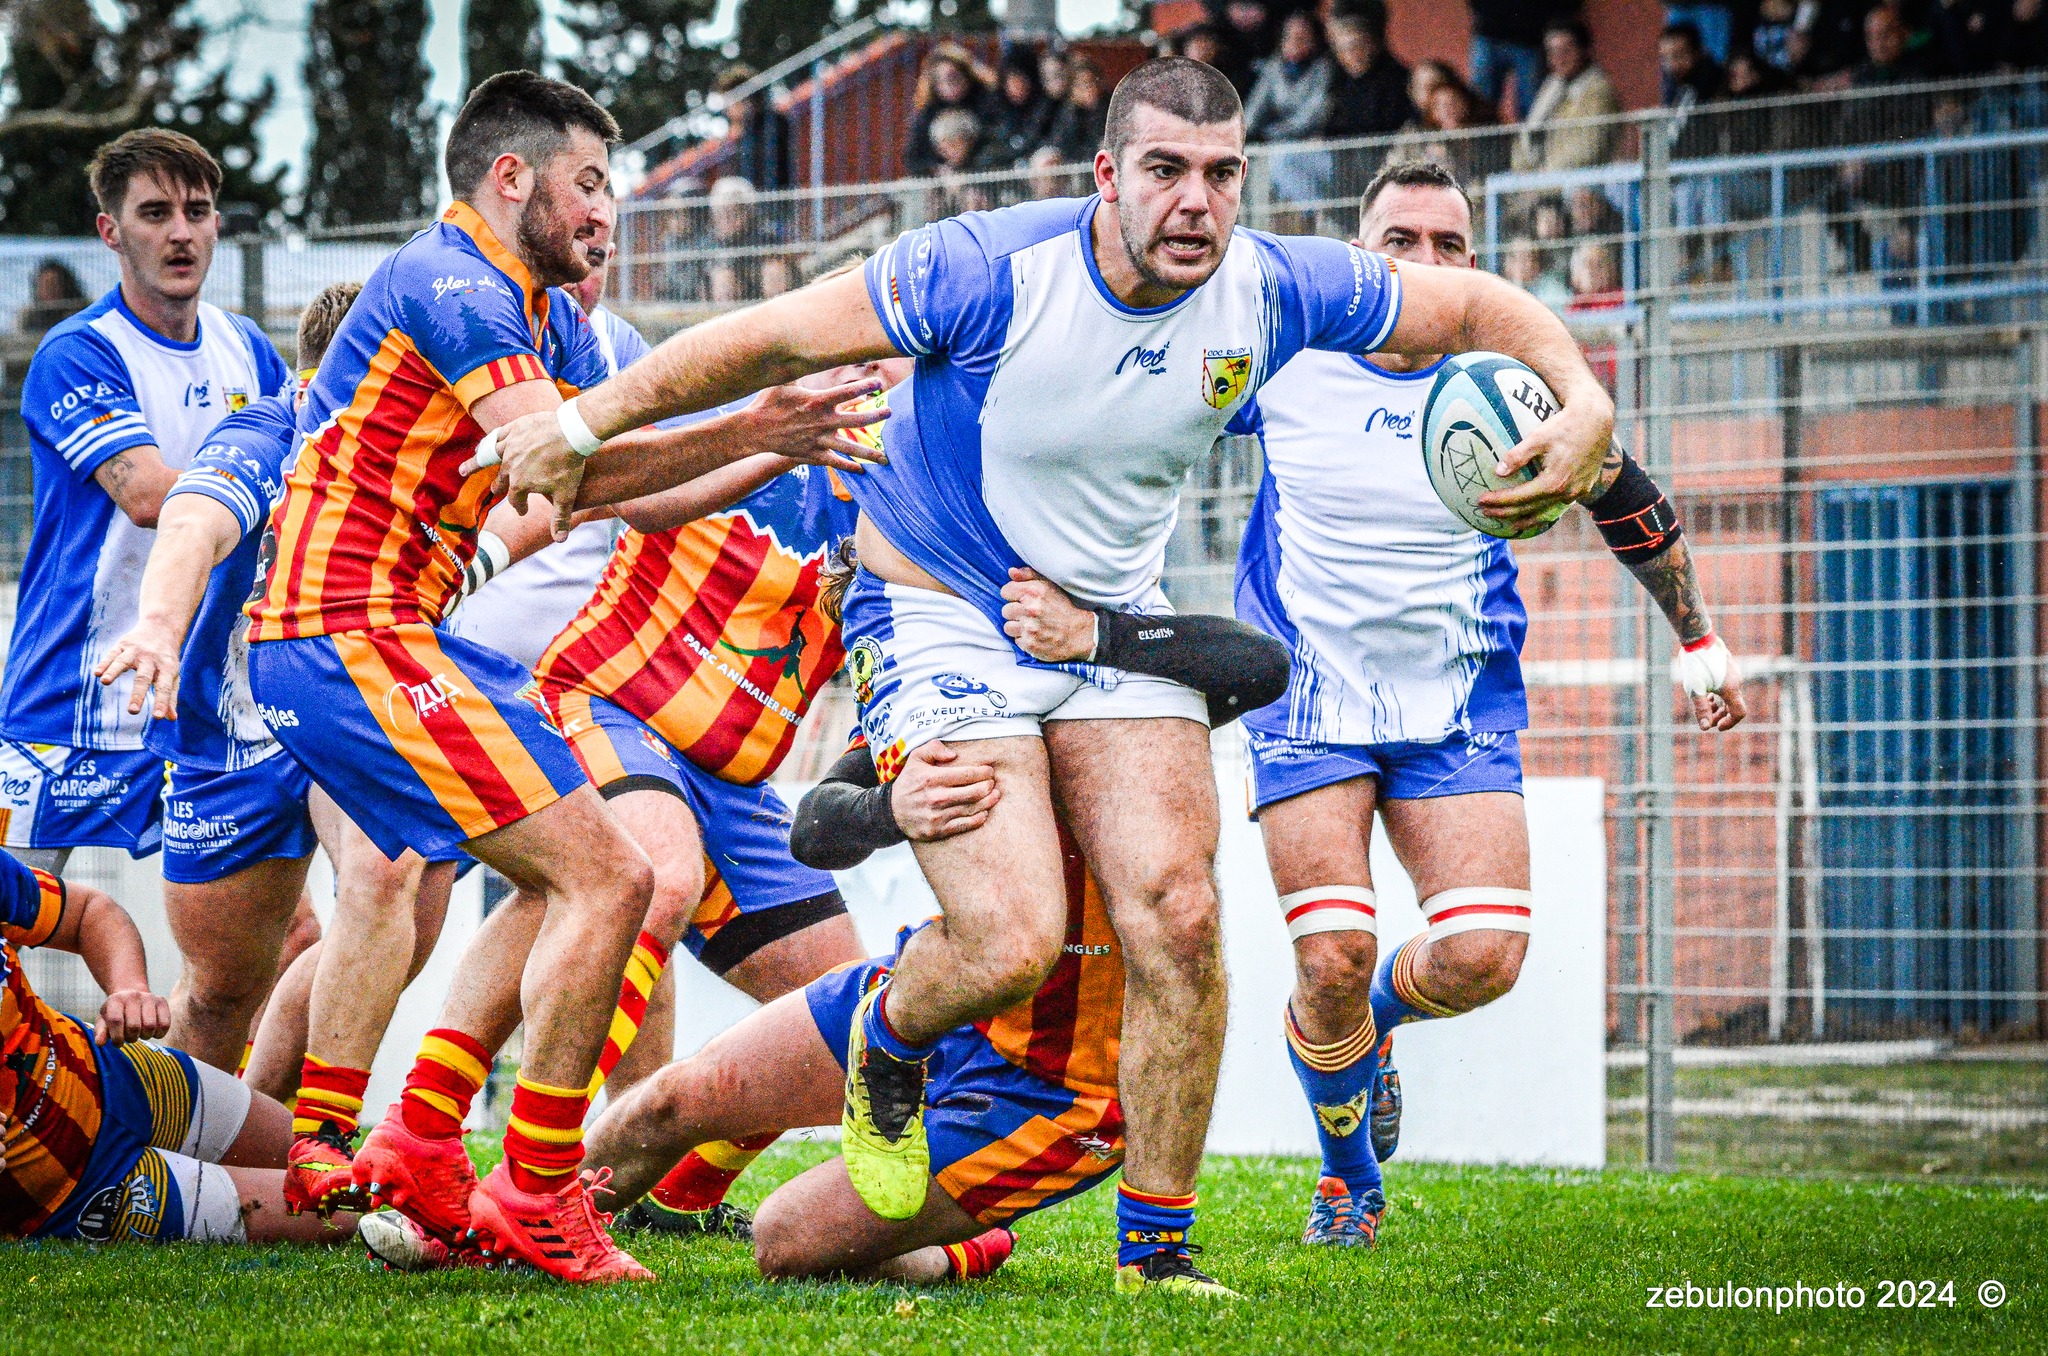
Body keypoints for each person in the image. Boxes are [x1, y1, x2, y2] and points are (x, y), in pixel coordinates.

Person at [482, 57, 1618, 1295]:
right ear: (1105, 176)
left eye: (1223, 174)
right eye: (1167, 171)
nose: (1198, 202)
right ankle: (880, 1041)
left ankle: (1157, 1259)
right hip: (937, 613)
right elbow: (762, 338)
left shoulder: (1271, 288)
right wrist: (584, 428)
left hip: (1098, 623)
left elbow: (1465, 310)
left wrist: (1582, 403)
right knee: (1011, 935)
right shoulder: (984, 268)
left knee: (1182, 919)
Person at [238, 71, 878, 1285]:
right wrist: (754, 422)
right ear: (509, 176)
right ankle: (519, 1186)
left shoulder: (548, 314)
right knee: (615, 876)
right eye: (590, 183)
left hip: (395, 637)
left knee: (566, 877)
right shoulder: (455, 281)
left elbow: (623, 480)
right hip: (345, 635)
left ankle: (415, 1142)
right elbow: (562, 470)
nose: (608, 210)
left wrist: (766, 431)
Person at [363, 569, 1291, 1282]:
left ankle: (976, 1240)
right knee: (660, 1108)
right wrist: (897, 808)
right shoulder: (956, 674)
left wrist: (1096, 633)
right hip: (928, 996)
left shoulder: (1131, 672)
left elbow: (1261, 665)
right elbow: (816, 826)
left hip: (1055, 1084)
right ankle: (504, 1221)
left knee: (788, 1242)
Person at [1232, 160, 1748, 1247]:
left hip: (1456, 704)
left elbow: (1625, 496)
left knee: (1481, 958)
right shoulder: (1281, 353)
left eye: (1448, 246)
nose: (1422, 265)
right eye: (1397, 241)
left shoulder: (1508, 377)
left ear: (1474, 266)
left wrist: (1695, 636)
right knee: (1329, 955)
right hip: (1307, 703)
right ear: (1354, 253)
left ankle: (1369, 1032)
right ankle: (1345, 1186)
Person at [435, 359, 904, 1240]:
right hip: (605, 705)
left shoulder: (909, 496)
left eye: (898, 375)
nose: (876, 389)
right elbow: (621, 499)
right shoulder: (739, 413)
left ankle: (666, 1195)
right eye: (864, 362)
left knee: (856, 1017)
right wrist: (477, 563)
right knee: (658, 871)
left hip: (735, 785)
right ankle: (505, 1167)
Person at [93, 283, 466, 1213]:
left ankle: (322, 1142)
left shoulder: (427, 443)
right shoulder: (270, 434)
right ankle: (157, 1150)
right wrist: (158, 628)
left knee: (395, 872)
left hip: (351, 713)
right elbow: (189, 520)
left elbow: (535, 504)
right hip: (230, 738)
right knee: (221, 992)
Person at [1, 128, 289, 877]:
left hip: (199, 699)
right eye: (155, 213)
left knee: (281, 935)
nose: (181, 232)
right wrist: (265, 485)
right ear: (111, 232)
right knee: (12, 926)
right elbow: (151, 496)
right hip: (75, 696)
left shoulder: (249, 347)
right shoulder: (79, 352)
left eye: (197, 210)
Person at [1, 851, 358, 1248]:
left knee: (332, 1168)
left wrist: (127, 988)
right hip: (79, 1188)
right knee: (347, 1211)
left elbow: (87, 911)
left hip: (121, 1073)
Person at [1244, 11, 1337, 206]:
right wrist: (1241, 133)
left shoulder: (1324, 68)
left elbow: (1313, 115)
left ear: (1315, 39)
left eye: (1302, 37)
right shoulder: (1274, 67)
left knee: (1281, 159)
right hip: (1279, 144)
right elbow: (1254, 109)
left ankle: (1319, 217)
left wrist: (1269, 134)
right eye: (1289, 36)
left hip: (1318, 147)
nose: (1295, 42)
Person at [1511, 18, 1622, 174]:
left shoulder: (1598, 91)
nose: (1559, 59)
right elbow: (1526, 138)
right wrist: (1524, 173)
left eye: (1566, 51)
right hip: (1542, 179)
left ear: (1584, 50)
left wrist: (1541, 180)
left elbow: (1586, 151)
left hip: (1582, 183)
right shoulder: (1552, 87)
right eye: (1552, 52)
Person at [904, 45, 998, 179]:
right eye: (940, 81)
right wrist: (937, 169)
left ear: (966, 75)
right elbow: (914, 158)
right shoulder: (928, 113)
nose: (948, 86)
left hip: (985, 173)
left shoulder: (988, 102)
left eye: (953, 78)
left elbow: (997, 140)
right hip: (944, 179)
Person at [1468, 0, 1572, 119]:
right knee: (1479, 102)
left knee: (1532, 107)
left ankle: (1530, 137)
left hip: (1529, 39)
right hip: (1489, 33)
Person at [1323, 7, 1415, 141]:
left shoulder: (1397, 79)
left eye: (1356, 45)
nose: (1351, 54)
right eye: (1342, 48)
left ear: (1373, 44)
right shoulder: (1337, 82)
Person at [715, 65, 794, 193]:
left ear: (747, 99)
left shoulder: (773, 124)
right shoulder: (742, 133)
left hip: (772, 201)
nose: (727, 109)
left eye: (731, 101)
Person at [990, 47, 1057, 166]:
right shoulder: (996, 107)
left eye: (1021, 80)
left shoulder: (1048, 107)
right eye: (1011, 82)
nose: (1017, 87)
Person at [1046, 56, 1109, 164]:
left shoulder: (1108, 104)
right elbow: (1060, 143)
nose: (1089, 89)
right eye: (1082, 85)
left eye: (1092, 82)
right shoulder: (1068, 112)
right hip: (1074, 165)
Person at [17, 257, 87, 334]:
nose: (50, 290)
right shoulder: (29, 316)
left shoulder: (81, 312)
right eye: (44, 285)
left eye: (54, 284)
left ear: (66, 286)